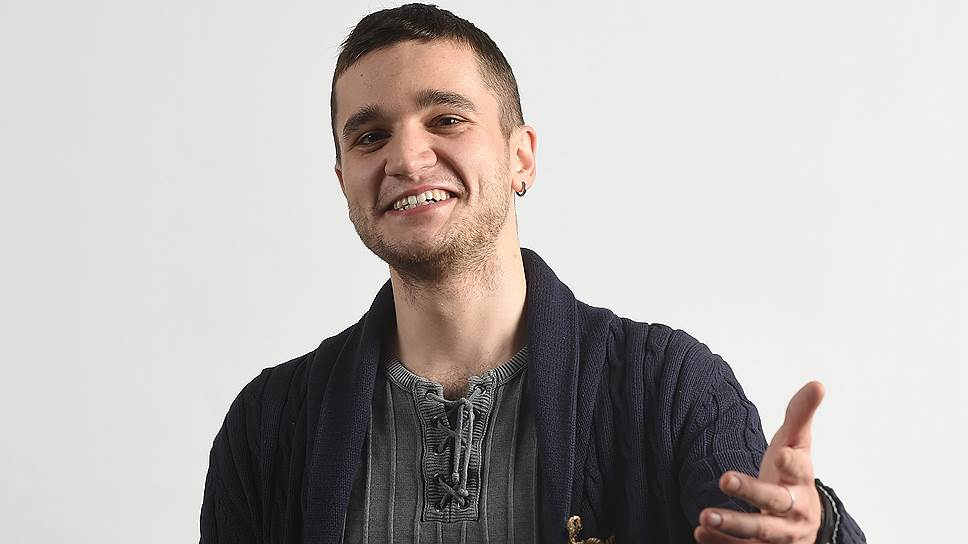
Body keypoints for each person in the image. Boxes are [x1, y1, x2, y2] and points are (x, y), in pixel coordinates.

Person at [200, 4, 866, 543]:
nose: (406, 156)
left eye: (446, 119)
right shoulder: (267, 427)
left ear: (521, 157)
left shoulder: (668, 387)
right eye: (370, 136)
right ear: (344, 179)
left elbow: (765, 527)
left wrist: (813, 534)